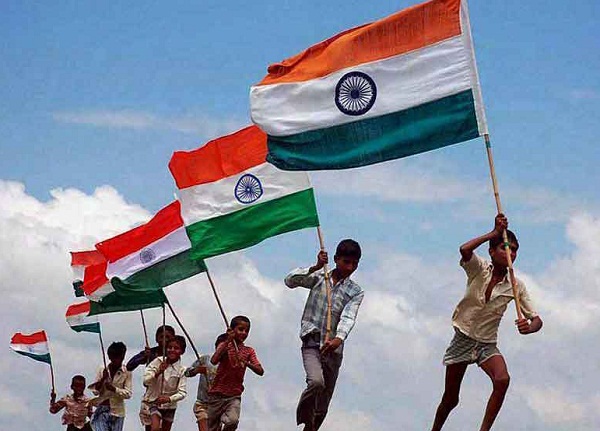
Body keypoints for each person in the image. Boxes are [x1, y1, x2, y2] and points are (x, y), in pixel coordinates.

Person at [430, 214, 543, 431]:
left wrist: (529, 328)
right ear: (491, 252)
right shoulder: (479, 269)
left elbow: (536, 319)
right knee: (451, 399)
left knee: (502, 380)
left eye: (514, 250)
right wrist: (493, 233)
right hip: (463, 338)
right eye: (505, 248)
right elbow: (464, 249)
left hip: (486, 344)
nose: (511, 253)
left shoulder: (516, 285)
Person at [285, 239, 364, 431]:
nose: (350, 267)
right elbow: (290, 281)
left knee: (323, 401)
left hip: (333, 349)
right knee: (316, 382)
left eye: (354, 264)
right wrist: (315, 266)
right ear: (336, 259)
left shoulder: (355, 291)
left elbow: (348, 317)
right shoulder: (320, 277)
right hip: (312, 341)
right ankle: (304, 416)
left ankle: (311, 427)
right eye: (346, 262)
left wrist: (339, 338)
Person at [208, 316, 264, 431]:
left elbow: (260, 371)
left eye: (246, 331)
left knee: (232, 421)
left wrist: (246, 363)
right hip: (216, 395)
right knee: (212, 428)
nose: (244, 333)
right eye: (240, 329)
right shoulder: (225, 345)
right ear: (232, 330)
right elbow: (214, 360)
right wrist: (228, 340)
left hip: (234, 396)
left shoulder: (248, 351)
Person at [141, 335, 188, 431]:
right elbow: (146, 381)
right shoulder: (157, 362)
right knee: (155, 428)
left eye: (176, 348)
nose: (172, 350)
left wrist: (169, 399)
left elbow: (182, 393)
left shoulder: (182, 370)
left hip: (170, 407)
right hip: (153, 402)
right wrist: (158, 372)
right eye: (170, 347)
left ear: (182, 351)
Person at [89, 341, 133, 431]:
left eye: (119, 358)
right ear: (109, 357)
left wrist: (114, 389)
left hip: (118, 412)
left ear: (123, 356)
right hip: (102, 410)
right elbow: (95, 391)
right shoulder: (102, 369)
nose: (117, 361)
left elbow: (128, 394)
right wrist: (102, 379)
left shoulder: (127, 372)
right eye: (114, 358)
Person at [185, 334, 226, 431]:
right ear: (216, 347)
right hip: (202, 404)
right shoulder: (206, 359)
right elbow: (187, 373)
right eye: (221, 348)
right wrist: (197, 370)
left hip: (218, 405)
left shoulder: (230, 366)